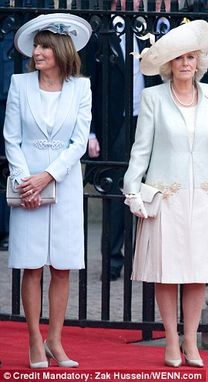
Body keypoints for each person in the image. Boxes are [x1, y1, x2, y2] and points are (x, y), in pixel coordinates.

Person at [123, 20, 208, 368]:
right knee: (168, 272)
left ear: (199, 62)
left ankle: (191, 342)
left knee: (198, 271)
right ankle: (171, 341)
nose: (186, 63)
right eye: (179, 58)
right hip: (166, 198)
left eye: (191, 57)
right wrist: (131, 190)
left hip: (203, 196)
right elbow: (140, 150)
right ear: (170, 64)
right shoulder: (153, 97)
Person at [3, 13, 92, 368]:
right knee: (32, 265)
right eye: (36, 46)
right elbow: (11, 137)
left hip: (65, 184)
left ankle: (56, 339)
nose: (37, 52)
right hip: (26, 187)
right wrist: (27, 180)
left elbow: (79, 141)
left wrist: (49, 176)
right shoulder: (20, 84)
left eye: (43, 46)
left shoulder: (80, 88)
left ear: (59, 50)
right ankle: (34, 341)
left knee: (63, 265)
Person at [84, 0, 160, 281]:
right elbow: (87, 83)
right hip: (114, 122)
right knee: (115, 193)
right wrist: (91, 132)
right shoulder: (101, 30)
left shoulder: (150, 30)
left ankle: (146, 259)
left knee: (150, 191)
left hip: (147, 121)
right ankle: (113, 261)